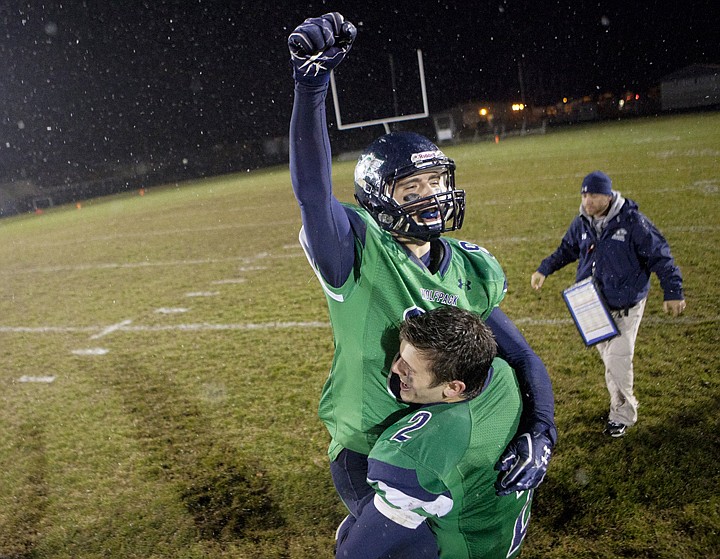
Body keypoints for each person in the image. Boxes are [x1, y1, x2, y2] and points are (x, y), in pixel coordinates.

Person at [287, 11, 555, 529]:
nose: (430, 197)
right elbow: (313, 192)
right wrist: (311, 88)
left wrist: (541, 432)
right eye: (412, 189)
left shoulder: (468, 269)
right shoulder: (356, 253)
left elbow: (521, 358)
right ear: (377, 201)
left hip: (441, 430)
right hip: (370, 445)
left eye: (435, 184)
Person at [335, 306, 534, 559]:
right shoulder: (501, 375)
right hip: (498, 534)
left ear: (453, 387)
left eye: (410, 369)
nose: (395, 368)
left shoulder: (422, 454)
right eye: (400, 356)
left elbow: (355, 553)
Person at [531, 170, 685, 437]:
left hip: (626, 304)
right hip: (592, 304)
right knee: (612, 362)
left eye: (593, 194)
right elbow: (566, 249)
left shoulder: (633, 222)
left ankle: (623, 414)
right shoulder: (582, 222)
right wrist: (544, 269)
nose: (587, 200)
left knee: (618, 359)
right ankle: (618, 405)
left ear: (608, 195)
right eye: (584, 193)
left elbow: (661, 256)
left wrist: (673, 291)